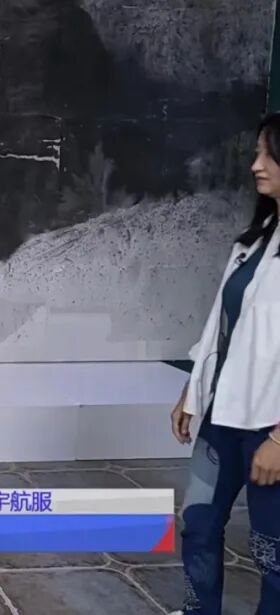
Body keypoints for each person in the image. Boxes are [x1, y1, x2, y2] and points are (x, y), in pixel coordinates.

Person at [169, 114, 280, 615]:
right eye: (257, 153)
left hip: (269, 427)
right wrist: (192, 392)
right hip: (223, 418)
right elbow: (221, 326)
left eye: (269, 154)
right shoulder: (253, 242)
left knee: (272, 552)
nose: (257, 165)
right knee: (198, 524)